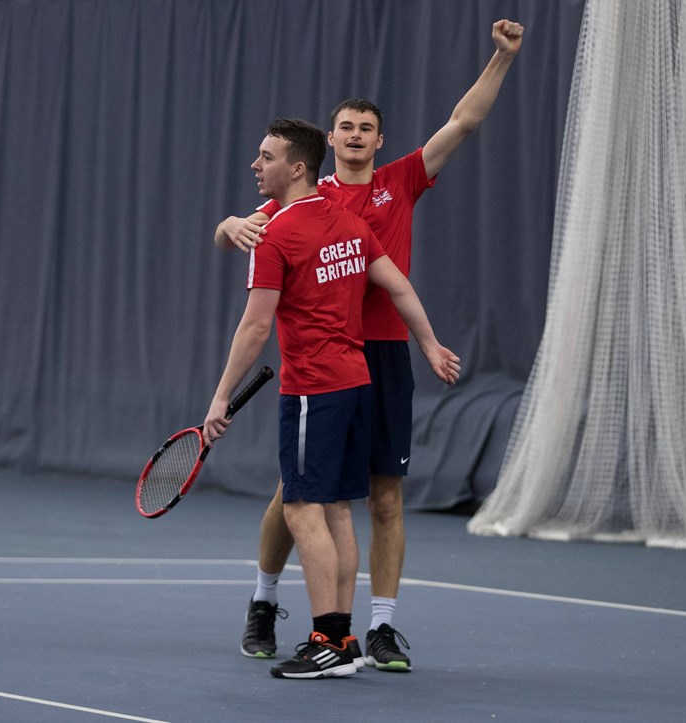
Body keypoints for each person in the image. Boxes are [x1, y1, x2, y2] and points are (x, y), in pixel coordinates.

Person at [216, 19, 524, 672]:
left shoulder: (403, 180)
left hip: (378, 359)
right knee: (295, 494)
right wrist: (228, 223)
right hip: (325, 356)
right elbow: (238, 234)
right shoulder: (310, 196)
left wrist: (500, 59)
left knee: (376, 498)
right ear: (331, 140)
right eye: (346, 127)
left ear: (379, 140)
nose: (355, 135)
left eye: (366, 127)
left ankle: (371, 628)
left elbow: (463, 122)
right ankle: (267, 600)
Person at [204, 118, 459, 680]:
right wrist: (431, 343)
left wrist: (220, 397)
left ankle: (324, 639)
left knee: (300, 508)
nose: (255, 165)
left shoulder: (276, 236)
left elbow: (253, 328)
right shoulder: (346, 222)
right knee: (340, 508)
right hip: (355, 381)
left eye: (265, 156)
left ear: (297, 168)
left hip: (312, 387)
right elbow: (397, 285)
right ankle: (342, 640)